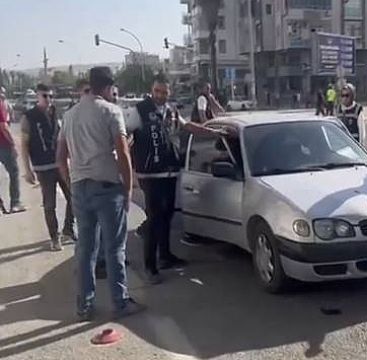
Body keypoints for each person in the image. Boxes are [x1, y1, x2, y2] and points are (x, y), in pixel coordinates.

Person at [124, 74, 232, 284]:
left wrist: (213, 131)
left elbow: (188, 126)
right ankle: (150, 267)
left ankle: (165, 256)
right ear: (151, 90)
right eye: (157, 91)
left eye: (164, 92)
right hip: (150, 174)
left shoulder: (171, 111)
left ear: (169, 92)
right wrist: (127, 166)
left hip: (170, 171)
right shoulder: (140, 111)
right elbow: (125, 136)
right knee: (155, 219)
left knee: (167, 216)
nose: (160, 96)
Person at [57, 66, 144, 321]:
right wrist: (128, 188)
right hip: (107, 188)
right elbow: (123, 153)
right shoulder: (110, 111)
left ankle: (84, 306)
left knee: (85, 249)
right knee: (115, 247)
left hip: (80, 187)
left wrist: (71, 181)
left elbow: (60, 157)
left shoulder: (69, 115)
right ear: (107, 87)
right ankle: (120, 303)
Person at [21, 84, 75, 251]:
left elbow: (61, 137)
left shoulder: (54, 113)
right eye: (45, 96)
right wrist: (28, 170)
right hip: (43, 167)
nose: (49, 99)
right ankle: (54, 237)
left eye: (51, 96)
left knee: (74, 196)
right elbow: (24, 144)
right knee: (49, 203)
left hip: (59, 164)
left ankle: (68, 229)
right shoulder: (29, 117)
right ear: (37, 97)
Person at [0, 87, 26, 214]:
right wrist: (13, 143)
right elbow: (4, 126)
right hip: (3, 144)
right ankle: (15, 203)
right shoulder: (0, 105)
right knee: (14, 172)